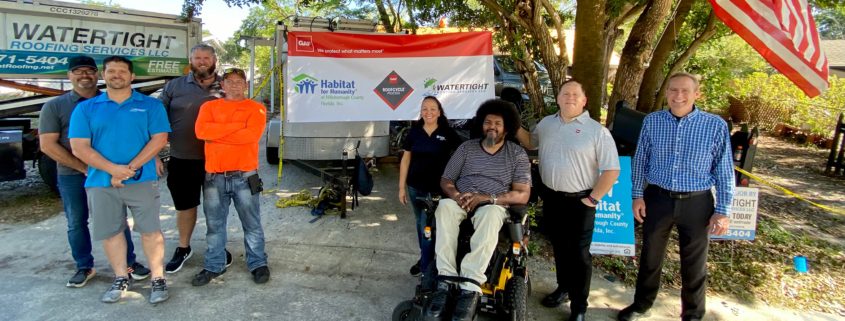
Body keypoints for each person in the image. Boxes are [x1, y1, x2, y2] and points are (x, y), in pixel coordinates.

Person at [617, 72, 733, 321]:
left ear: (696, 94)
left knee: (694, 263)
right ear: (666, 92)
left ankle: (692, 314)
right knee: (650, 256)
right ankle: (641, 304)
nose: (678, 96)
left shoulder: (715, 125)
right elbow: (640, 161)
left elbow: (724, 170)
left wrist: (723, 210)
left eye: (685, 91)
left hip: (697, 203)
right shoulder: (652, 121)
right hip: (657, 199)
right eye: (673, 90)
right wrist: (637, 195)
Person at [40, 55, 151, 288]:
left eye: (89, 71)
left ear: (97, 74)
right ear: (69, 76)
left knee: (116, 221)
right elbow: (48, 145)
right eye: (78, 71)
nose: (84, 76)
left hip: (109, 174)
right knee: (77, 221)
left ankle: (129, 263)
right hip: (73, 174)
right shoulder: (55, 106)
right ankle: (84, 265)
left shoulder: (110, 101)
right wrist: (84, 167)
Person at [68, 56, 171, 304]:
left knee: (150, 231)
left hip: (141, 179)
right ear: (104, 75)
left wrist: (130, 168)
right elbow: (79, 147)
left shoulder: (150, 105)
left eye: (122, 71)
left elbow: (159, 139)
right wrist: (112, 169)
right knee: (112, 232)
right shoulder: (86, 108)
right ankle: (120, 277)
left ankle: (158, 278)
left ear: (131, 76)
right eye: (111, 71)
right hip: (101, 183)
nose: (117, 75)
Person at [424, 99, 531, 321]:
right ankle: (446, 278)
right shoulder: (467, 148)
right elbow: (447, 179)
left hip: (492, 203)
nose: (491, 126)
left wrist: (488, 198)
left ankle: (470, 285)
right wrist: (455, 195)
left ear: (507, 128)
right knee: (444, 206)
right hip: (462, 199)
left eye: (498, 123)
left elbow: (522, 193)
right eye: (488, 122)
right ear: (481, 124)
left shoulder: (517, 154)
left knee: (491, 214)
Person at [531, 80, 620, 321]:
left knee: (579, 255)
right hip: (552, 199)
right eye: (565, 93)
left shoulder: (596, 131)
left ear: (584, 101)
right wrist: (508, 121)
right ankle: (563, 289)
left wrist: (592, 199)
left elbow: (612, 170)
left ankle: (579, 306)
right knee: (559, 247)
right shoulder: (546, 124)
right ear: (557, 98)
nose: (569, 97)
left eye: (575, 94)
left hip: (581, 202)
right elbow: (531, 143)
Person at [191, 68, 270, 286]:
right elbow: (201, 132)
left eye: (239, 81)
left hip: (245, 176)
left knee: (251, 223)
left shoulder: (257, 109)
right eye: (229, 81)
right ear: (222, 85)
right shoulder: (208, 107)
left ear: (246, 85)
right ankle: (213, 265)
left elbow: (251, 135)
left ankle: (258, 263)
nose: (234, 84)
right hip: (214, 177)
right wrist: (236, 128)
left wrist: (217, 133)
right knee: (214, 225)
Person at [158, 43, 231, 273]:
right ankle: (183, 247)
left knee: (216, 208)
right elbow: (156, 121)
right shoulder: (173, 86)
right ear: (190, 60)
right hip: (183, 159)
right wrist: (154, 155)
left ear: (214, 60)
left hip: (217, 160)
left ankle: (217, 247)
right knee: (185, 206)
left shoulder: (227, 87)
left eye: (206, 58)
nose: (202, 62)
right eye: (197, 57)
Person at [398, 96, 461, 277]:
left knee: (434, 226)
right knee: (422, 225)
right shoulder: (414, 132)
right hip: (415, 187)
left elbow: (462, 156)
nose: (429, 112)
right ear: (421, 112)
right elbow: (406, 160)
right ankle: (425, 259)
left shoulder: (447, 133)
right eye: (425, 109)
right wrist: (401, 187)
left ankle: (428, 267)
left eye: (433, 109)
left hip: (439, 189)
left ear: (439, 112)